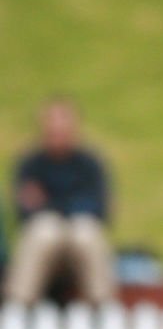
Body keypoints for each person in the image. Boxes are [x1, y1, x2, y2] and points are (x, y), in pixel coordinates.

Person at [4, 98, 116, 306]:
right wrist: (71, 205)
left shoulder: (90, 164)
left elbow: (99, 209)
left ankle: (102, 305)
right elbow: (25, 212)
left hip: (78, 237)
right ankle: (18, 304)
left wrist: (50, 203)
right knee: (44, 230)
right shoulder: (29, 164)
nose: (57, 134)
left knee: (86, 232)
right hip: (46, 239)